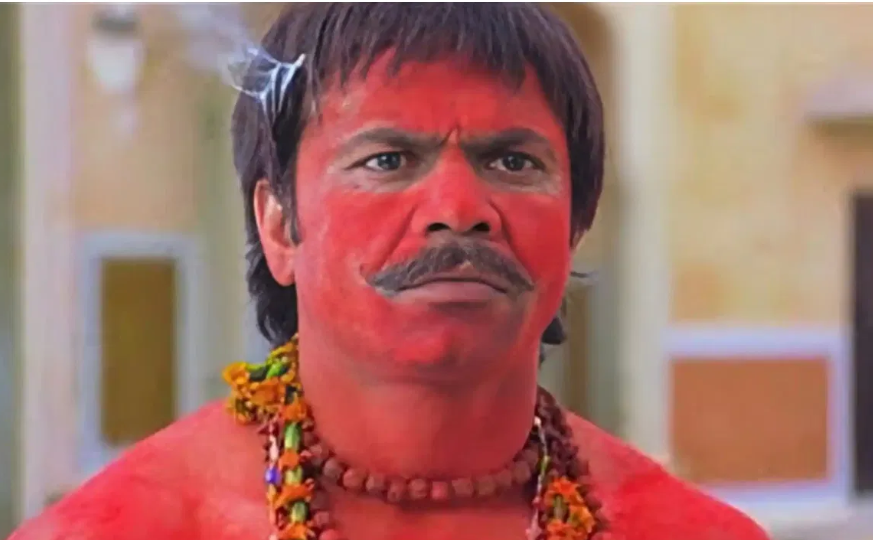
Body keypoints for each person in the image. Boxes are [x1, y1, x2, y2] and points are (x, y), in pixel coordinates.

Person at [10, 4, 770, 540]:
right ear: (278, 225)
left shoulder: (684, 531)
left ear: (575, 227)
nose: (459, 210)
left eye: (512, 162)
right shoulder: (122, 528)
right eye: (388, 160)